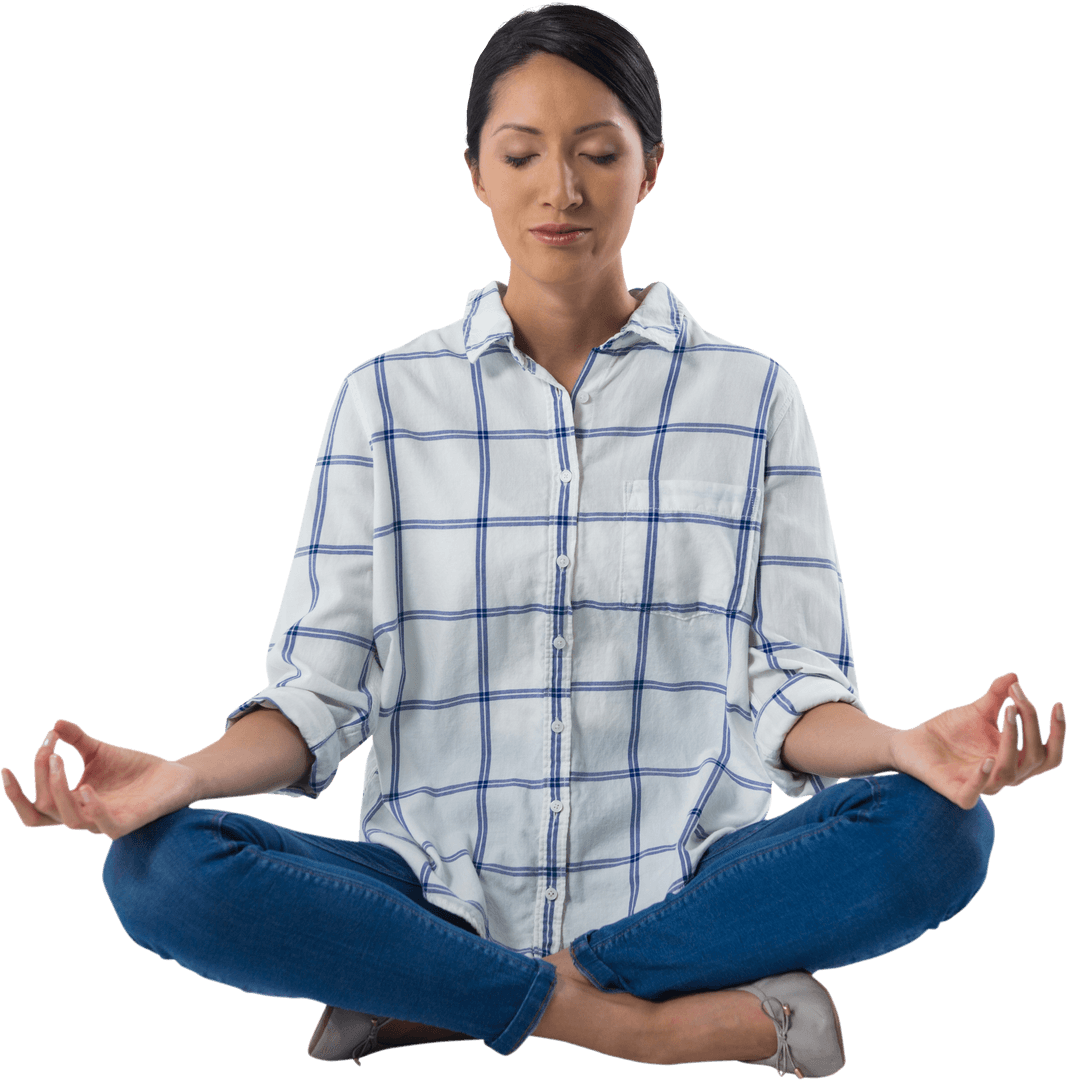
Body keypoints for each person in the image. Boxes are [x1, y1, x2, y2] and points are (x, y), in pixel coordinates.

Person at [2, 4, 1062, 1076]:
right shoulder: (382, 399)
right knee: (159, 868)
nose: (560, 190)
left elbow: (794, 690)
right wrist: (179, 777)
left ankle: (426, 993)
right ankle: (628, 1021)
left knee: (939, 833)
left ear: (649, 169)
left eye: (598, 153)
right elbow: (319, 696)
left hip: (694, 890)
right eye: (522, 154)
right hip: (432, 890)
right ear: (474, 170)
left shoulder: (751, 396)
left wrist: (900, 747)